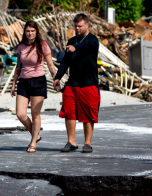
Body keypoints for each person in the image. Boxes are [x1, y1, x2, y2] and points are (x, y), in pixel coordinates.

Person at [52, 13, 100, 153]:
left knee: (88, 114)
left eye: (80, 26)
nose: (77, 28)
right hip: (72, 83)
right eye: (75, 26)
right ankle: (71, 142)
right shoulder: (72, 40)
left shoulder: (92, 40)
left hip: (88, 83)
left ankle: (87, 143)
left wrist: (76, 49)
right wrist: (57, 77)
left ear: (87, 25)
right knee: (68, 112)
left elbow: (86, 47)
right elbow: (65, 62)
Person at [10, 21, 57, 153]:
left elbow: (50, 65)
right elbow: (18, 66)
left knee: (35, 114)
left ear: (36, 32)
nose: (30, 33)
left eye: (32, 31)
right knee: (20, 114)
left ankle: (33, 142)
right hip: (24, 82)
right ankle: (36, 135)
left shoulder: (43, 45)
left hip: (38, 82)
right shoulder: (21, 47)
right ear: (24, 32)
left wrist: (55, 79)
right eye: (28, 31)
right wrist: (13, 83)